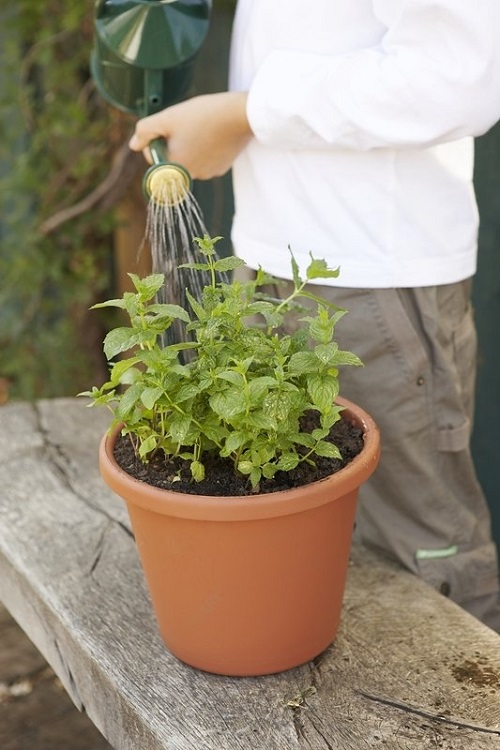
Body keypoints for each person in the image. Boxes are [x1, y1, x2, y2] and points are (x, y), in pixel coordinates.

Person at [129, 0, 500, 631]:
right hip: (273, 253)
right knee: (304, 550)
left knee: (426, 562)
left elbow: (462, 73)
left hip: (371, 278)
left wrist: (247, 112)